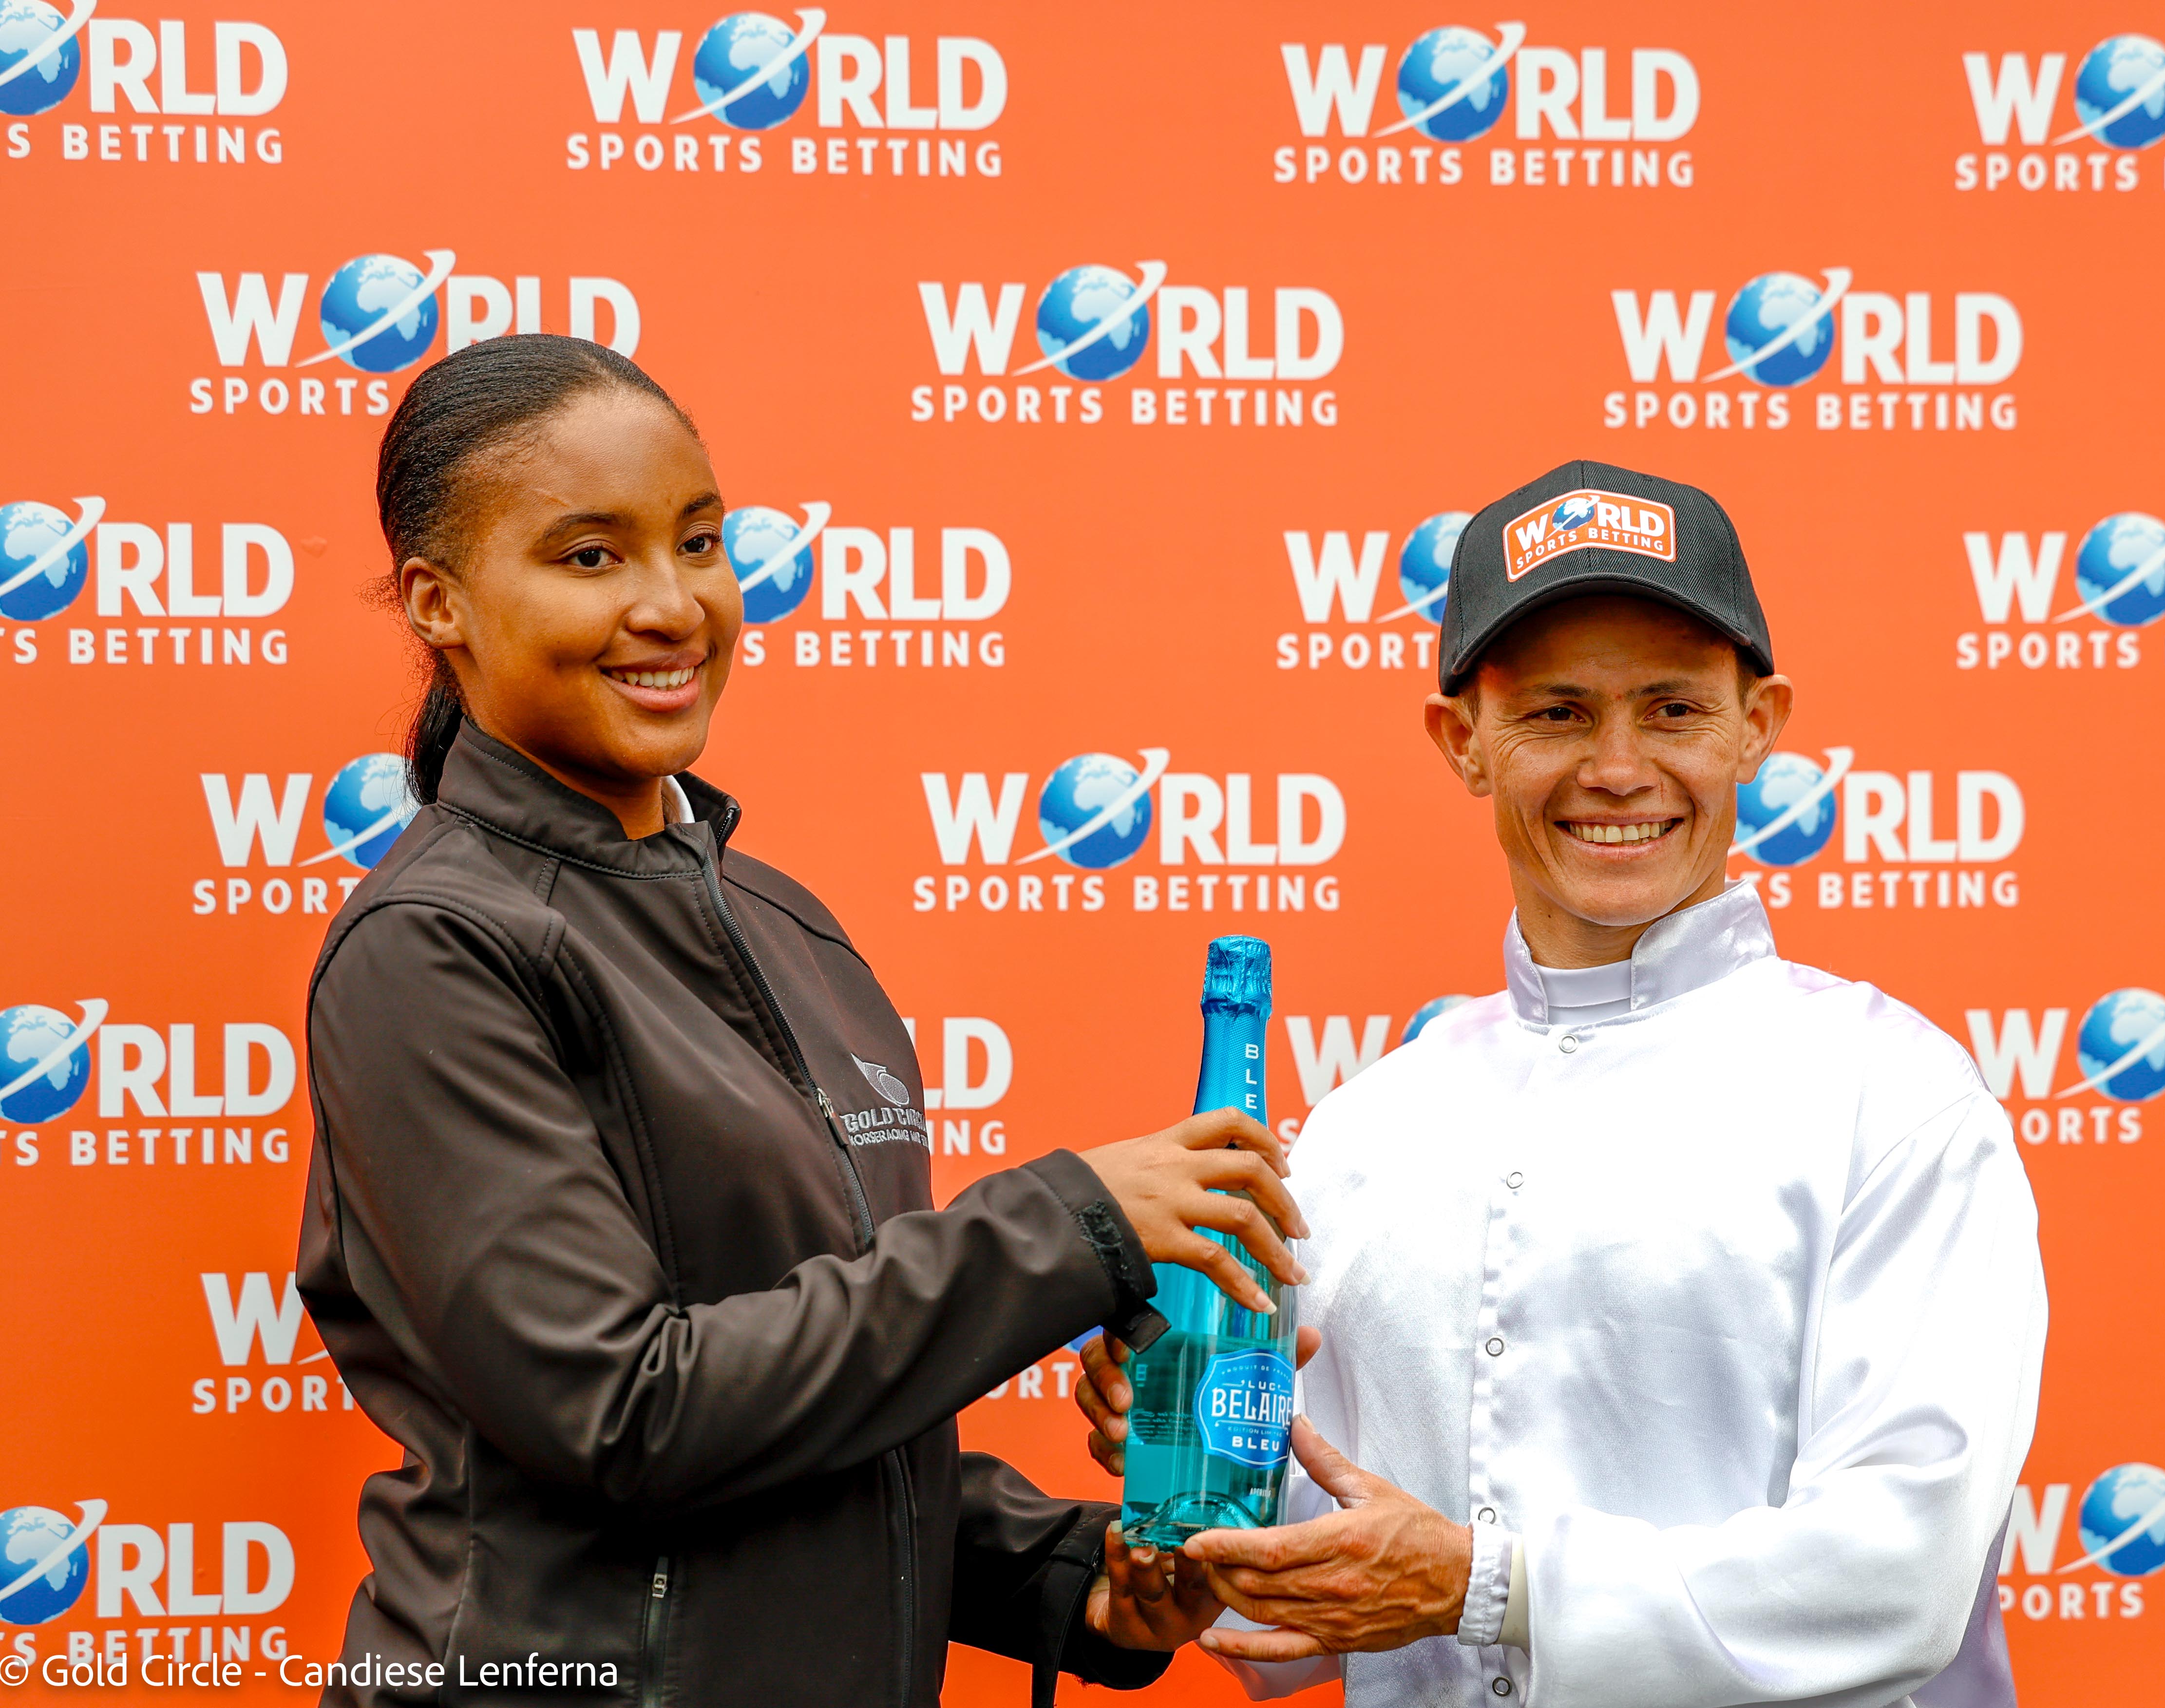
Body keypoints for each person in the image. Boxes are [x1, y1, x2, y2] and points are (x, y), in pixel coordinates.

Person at [294, 334, 1307, 1708]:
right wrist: (1069, 1227)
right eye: (590, 556)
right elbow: (628, 1415)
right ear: (440, 603)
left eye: (699, 542)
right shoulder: (432, 946)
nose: (673, 605)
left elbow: (824, 1416)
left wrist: (1087, 1581)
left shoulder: (790, 929)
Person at [1077, 460, 2049, 1707]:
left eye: (1672, 709)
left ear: (1758, 725)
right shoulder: (1362, 1132)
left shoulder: (1893, 1098)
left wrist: (1492, 1586)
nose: (1618, 767)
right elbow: (1315, 1596)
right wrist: (1200, 1504)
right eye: (1555, 714)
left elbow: (1898, 1572)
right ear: (1463, 743)